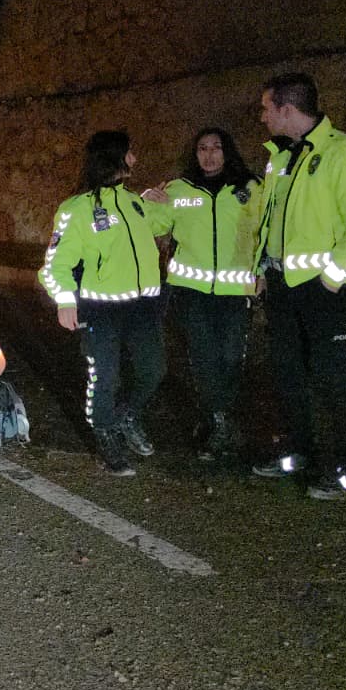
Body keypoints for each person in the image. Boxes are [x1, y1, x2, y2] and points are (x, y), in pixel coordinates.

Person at [251, 73, 346, 500]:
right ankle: (299, 452)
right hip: (282, 286)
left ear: (286, 110)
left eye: (265, 109)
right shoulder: (280, 158)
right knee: (289, 376)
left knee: (335, 381)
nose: (261, 117)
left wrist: (331, 277)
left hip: (322, 291)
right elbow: (269, 219)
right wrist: (261, 268)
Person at [37, 130, 172, 476]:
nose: (135, 159)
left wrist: (163, 202)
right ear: (114, 157)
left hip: (143, 306)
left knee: (153, 369)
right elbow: (54, 265)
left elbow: (160, 224)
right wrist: (65, 301)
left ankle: (128, 414)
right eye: (130, 153)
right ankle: (106, 433)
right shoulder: (77, 209)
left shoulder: (134, 202)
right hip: (102, 308)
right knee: (105, 377)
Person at [142, 128, 262, 460]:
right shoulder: (179, 189)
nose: (209, 155)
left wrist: (262, 270)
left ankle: (214, 417)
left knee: (230, 358)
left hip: (235, 291)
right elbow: (155, 226)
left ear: (228, 151)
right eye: (202, 148)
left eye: (216, 148)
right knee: (205, 358)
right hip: (191, 292)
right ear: (194, 154)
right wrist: (149, 201)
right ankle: (220, 424)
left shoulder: (250, 189)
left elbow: (263, 232)